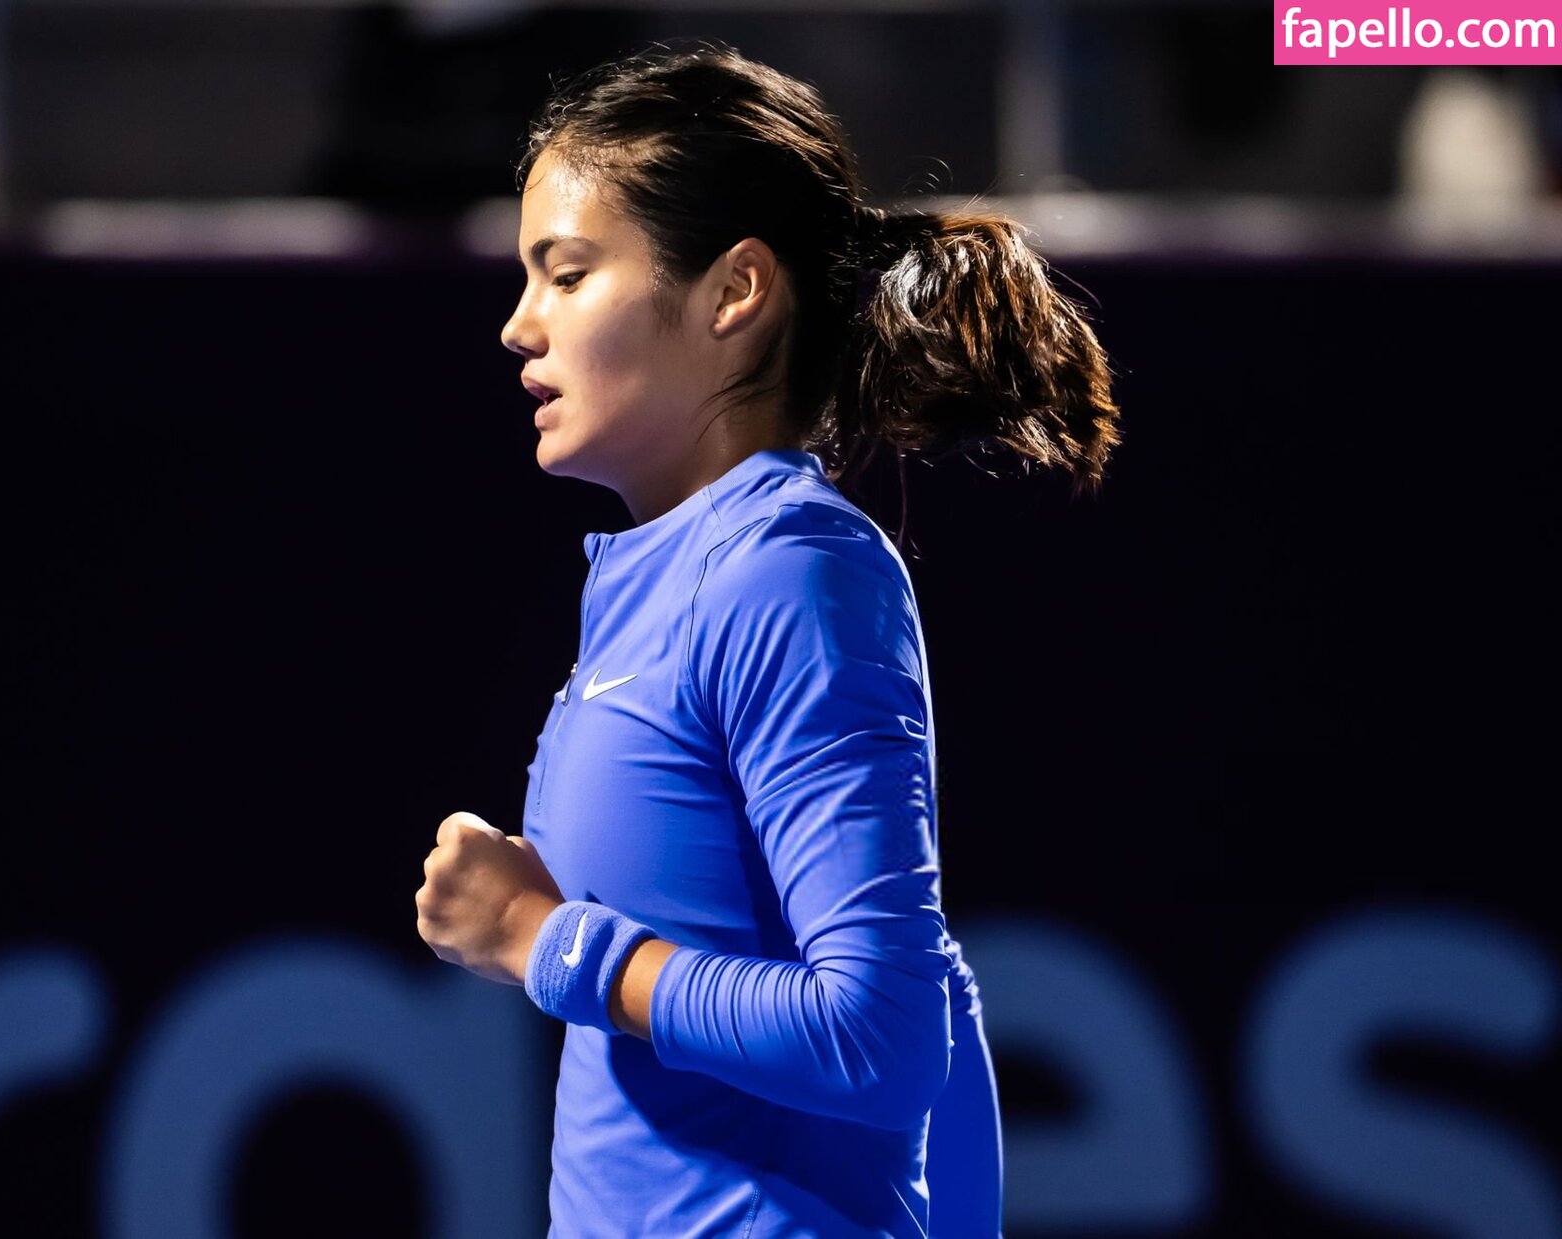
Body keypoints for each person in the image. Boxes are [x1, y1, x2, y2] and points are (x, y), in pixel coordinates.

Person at [415, 38, 1120, 1239]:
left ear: (735, 292)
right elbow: (941, 997)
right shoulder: (682, 576)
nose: (519, 328)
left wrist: (543, 940)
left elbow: (881, 1035)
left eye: (567, 274)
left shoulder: (787, 571)